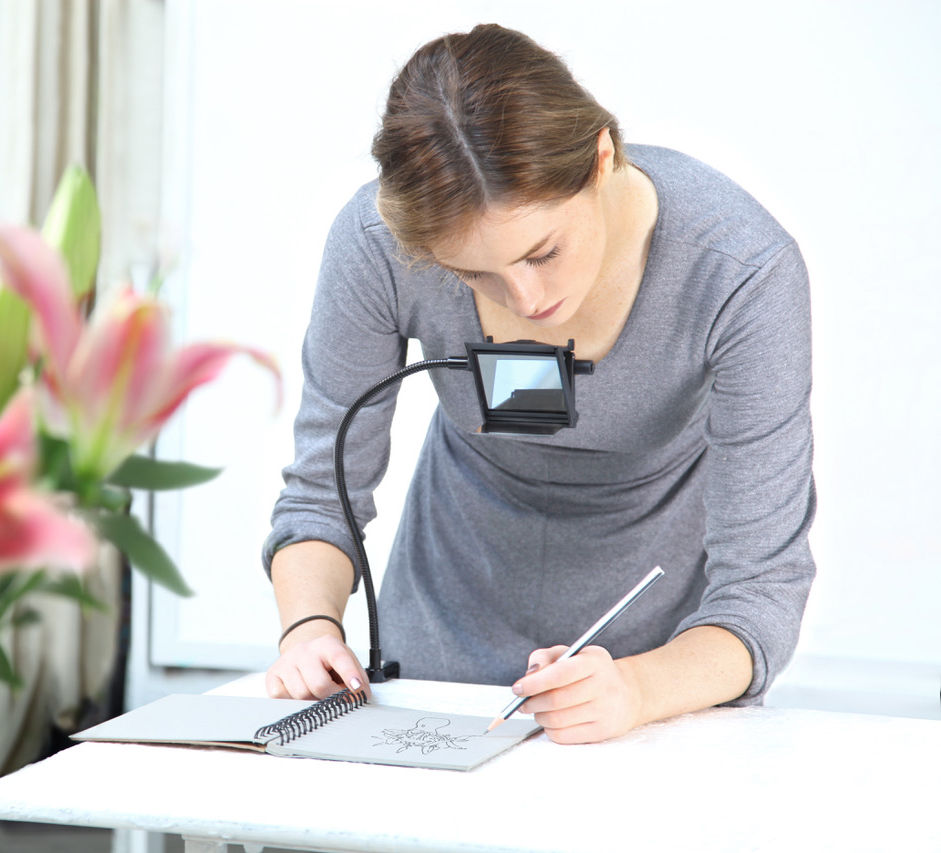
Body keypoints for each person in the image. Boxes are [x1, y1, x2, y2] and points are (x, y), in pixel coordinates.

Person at [261, 24, 817, 745]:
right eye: (474, 274)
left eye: (542, 251)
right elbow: (318, 499)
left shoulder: (742, 272)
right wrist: (307, 631)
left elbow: (761, 594)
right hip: (435, 670)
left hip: (656, 689)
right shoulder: (380, 248)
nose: (524, 299)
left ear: (601, 158)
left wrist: (640, 686)